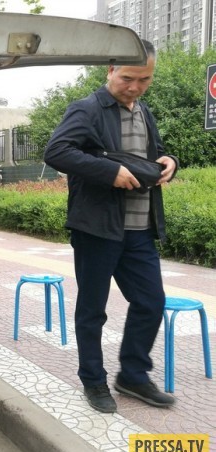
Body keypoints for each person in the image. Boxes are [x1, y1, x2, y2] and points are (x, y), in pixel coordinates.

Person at [44, 40, 178, 413]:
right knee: (93, 310)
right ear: (110, 71)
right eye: (127, 78)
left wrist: (169, 161)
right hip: (97, 229)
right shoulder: (86, 109)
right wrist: (110, 171)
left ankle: (132, 376)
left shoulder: (144, 111)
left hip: (139, 230)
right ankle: (94, 380)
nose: (135, 87)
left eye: (144, 79)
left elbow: (151, 154)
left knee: (151, 302)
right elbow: (56, 151)